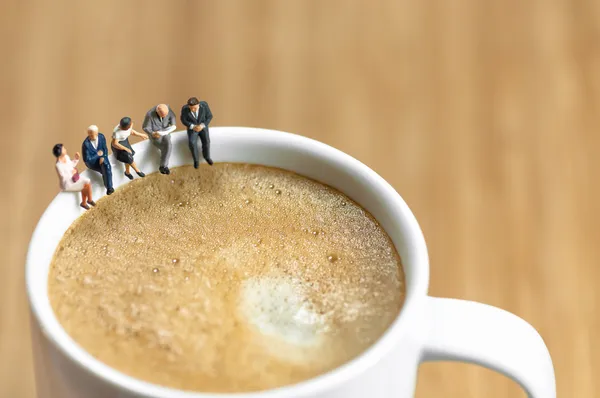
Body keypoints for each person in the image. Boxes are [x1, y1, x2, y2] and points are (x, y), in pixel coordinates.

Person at [53, 144, 95, 210]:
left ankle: (89, 200)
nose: (65, 150)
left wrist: (76, 159)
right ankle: (84, 203)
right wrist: (71, 174)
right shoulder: (58, 165)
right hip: (67, 184)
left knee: (88, 181)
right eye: (63, 149)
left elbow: (72, 165)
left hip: (74, 178)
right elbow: (63, 177)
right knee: (84, 186)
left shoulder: (66, 157)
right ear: (59, 152)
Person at [142, 103, 177, 174]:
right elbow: (145, 127)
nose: (165, 116)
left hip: (166, 132)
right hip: (156, 135)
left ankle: (163, 166)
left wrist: (173, 124)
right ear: (157, 112)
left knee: (168, 145)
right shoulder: (150, 115)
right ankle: (162, 165)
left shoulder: (167, 109)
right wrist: (153, 133)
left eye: (166, 115)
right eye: (163, 115)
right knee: (164, 147)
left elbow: (172, 116)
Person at [180, 97, 213, 168]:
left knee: (206, 141)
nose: (193, 110)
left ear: (198, 105)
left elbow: (209, 116)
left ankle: (206, 157)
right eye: (191, 108)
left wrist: (202, 125)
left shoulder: (204, 105)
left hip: (203, 127)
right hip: (192, 129)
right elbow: (183, 120)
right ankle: (196, 160)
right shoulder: (185, 109)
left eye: (194, 108)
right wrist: (192, 126)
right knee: (192, 143)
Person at [82, 125, 114, 195]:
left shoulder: (101, 137)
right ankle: (107, 184)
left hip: (102, 157)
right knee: (105, 171)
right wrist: (97, 155)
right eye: (89, 134)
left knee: (107, 166)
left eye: (92, 134)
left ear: (97, 133)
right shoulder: (86, 144)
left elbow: (105, 149)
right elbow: (87, 159)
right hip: (92, 163)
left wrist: (103, 156)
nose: (90, 136)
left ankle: (109, 188)